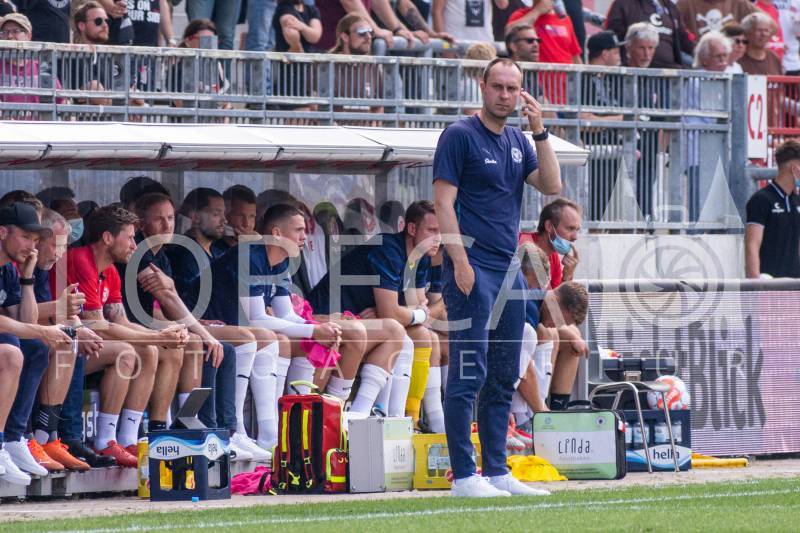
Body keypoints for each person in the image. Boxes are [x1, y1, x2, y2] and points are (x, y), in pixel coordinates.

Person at [433, 56, 560, 497]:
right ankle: (464, 476)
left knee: (504, 373)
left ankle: (497, 470)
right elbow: (443, 203)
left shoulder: (518, 140)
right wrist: (459, 261)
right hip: (473, 264)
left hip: (508, 268)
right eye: (498, 86)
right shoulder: (459, 135)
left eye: (512, 88)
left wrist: (539, 130)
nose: (505, 95)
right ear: (483, 86)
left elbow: (552, 186)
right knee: (468, 372)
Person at [258, 203, 405, 421]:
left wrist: (317, 325)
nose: (305, 236)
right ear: (277, 233)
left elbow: (286, 314)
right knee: (326, 337)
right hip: (255, 334)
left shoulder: (281, 264)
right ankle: (297, 421)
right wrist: (315, 328)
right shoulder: (253, 258)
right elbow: (257, 317)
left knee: (394, 331)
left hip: (290, 325)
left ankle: (342, 417)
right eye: (298, 230)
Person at [67, 205, 188, 466]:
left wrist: (161, 335)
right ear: (108, 238)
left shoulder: (110, 271)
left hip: (85, 345)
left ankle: (129, 438)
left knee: (150, 349)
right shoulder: (81, 259)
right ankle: (105, 440)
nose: (135, 245)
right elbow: (98, 325)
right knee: (125, 352)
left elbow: (120, 320)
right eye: (130, 238)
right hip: (65, 347)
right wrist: (158, 337)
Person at [165, 187, 279, 461]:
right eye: (216, 213)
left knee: (271, 339)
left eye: (223, 213)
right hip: (188, 326)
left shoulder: (218, 249)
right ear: (194, 216)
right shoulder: (183, 252)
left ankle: (258, 432)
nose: (224, 220)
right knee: (248, 338)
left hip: (210, 324)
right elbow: (184, 300)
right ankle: (233, 430)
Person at [309, 201, 442, 428]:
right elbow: (401, 311)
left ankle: (407, 421)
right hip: (327, 317)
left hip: (361, 323)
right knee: (398, 334)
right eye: (432, 230)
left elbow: (418, 308)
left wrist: (400, 311)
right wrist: (401, 312)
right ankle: (372, 418)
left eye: (441, 231)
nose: (438, 238)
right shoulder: (388, 250)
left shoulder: (422, 257)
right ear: (412, 229)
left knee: (422, 335)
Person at [0, 202, 74, 481]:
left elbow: (25, 322)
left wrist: (28, 277)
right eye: (25, 237)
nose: (31, 246)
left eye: (34, 239)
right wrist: (43, 331)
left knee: (35, 348)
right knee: (13, 354)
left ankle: (13, 438)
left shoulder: (9, 270)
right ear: (2, 233)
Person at [745, 140, 800, 278]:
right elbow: (752, 246)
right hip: (769, 282)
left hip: (795, 283)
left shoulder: (796, 200)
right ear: (794, 169)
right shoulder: (761, 200)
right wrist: (755, 285)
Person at [0, 13, 66, 116]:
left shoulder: (43, 69)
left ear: (29, 36)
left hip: (37, 126)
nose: (9, 36)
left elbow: (61, 102)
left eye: (16, 31)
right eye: (4, 32)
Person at [604, 0, 693, 69]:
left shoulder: (670, 6)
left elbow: (684, 39)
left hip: (669, 72)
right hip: (634, 72)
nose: (647, 53)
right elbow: (611, 37)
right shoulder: (624, 3)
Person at [330, 14, 384, 122]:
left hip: (363, 131)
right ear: (345, 37)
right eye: (362, 32)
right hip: (335, 130)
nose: (368, 37)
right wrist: (334, 127)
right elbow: (315, 104)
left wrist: (374, 124)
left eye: (370, 32)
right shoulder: (326, 65)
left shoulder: (373, 66)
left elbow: (379, 106)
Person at [519, 198, 581, 288]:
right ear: (549, 226)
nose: (575, 237)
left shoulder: (553, 257)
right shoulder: (519, 243)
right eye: (570, 228)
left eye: (577, 230)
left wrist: (567, 276)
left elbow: (555, 296)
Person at [315, 0, 414, 52]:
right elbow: (349, 1)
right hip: (330, 47)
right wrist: (374, 29)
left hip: (355, 48)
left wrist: (399, 29)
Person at [505, 0, 582, 64]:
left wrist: (582, 76)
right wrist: (538, 11)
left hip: (566, 76)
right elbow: (508, 32)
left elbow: (574, 55)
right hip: (537, 76)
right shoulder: (521, 15)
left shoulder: (565, 19)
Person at [432, 0, 508, 43]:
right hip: (454, 43)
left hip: (484, 43)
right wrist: (443, 44)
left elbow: (503, 4)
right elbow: (436, 11)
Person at [677, 0, 756, 38]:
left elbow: (761, 20)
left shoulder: (739, 3)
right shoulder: (686, 3)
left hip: (734, 58)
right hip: (696, 57)